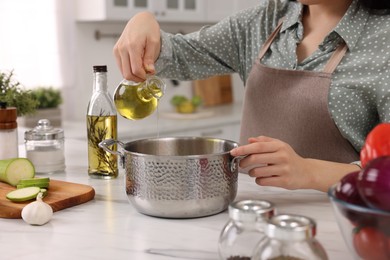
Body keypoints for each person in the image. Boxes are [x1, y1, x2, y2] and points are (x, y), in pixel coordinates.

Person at [113, 0, 390, 192]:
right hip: (248, 215)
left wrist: (307, 172)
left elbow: (385, 177)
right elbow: (178, 56)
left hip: (339, 224)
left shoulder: (383, 40)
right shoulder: (262, 21)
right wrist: (143, 21)